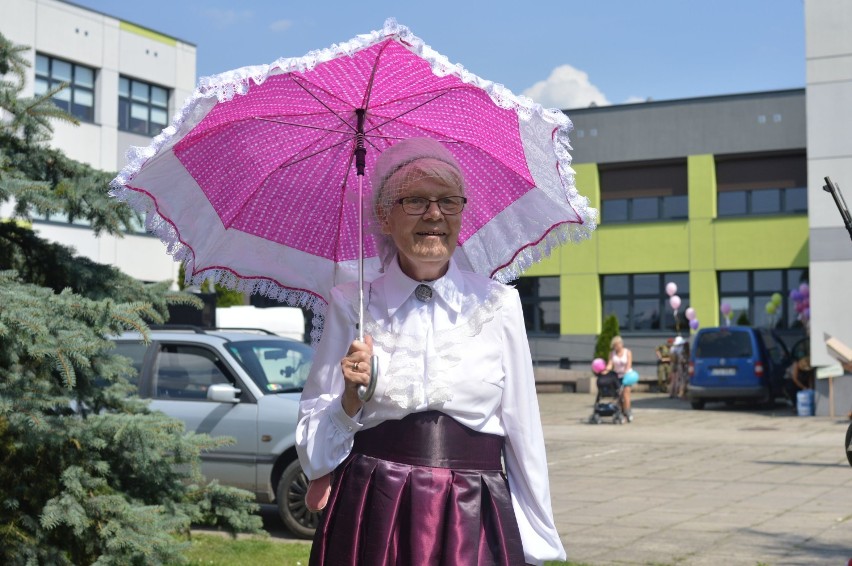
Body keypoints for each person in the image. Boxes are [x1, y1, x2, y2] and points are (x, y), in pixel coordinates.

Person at [296, 137, 565, 565]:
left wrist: (535, 541)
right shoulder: (351, 304)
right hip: (373, 509)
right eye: (416, 200)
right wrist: (349, 398)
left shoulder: (499, 304)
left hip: (472, 512)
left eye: (448, 201)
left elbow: (523, 430)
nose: (435, 214)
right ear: (384, 216)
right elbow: (313, 448)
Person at [604, 335, 634, 422]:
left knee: (626, 393)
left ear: (621, 344)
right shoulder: (612, 353)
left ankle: (627, 412)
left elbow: (629, 365)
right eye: (614, 346)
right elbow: (610, 363)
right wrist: (606, 370)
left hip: (627, 376)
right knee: (619, 395)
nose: (616, 347)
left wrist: (626, 371)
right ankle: (620, 411)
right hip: (616, 376)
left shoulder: (627, 352)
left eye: (617, 345)